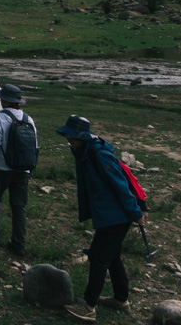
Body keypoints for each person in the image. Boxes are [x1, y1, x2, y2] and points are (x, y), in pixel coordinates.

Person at [57, 115, 147, 322]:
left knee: (98, 257)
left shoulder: (99, 155)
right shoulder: (85, 151)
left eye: (71, 137)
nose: (68, 140)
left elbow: (121, 186)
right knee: (112, 256)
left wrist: (136, 213)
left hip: (116, 216)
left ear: (83, 137)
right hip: (109, 214)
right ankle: (121, 299)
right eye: (68, 136)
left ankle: (89, 306)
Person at [0, 83, 36, 255]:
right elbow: (34, 147)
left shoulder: (0, 117)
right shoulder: (29, 119)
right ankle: (19, 244)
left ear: (4, 100)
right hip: (23, 170)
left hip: (1, 168)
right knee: (19, 206)